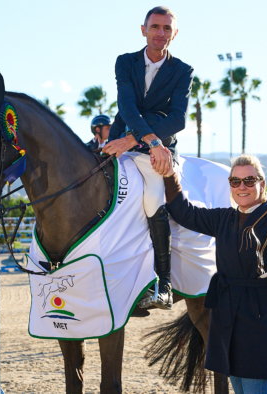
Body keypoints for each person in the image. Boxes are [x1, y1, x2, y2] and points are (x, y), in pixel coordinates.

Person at [162, 154, 267, 394]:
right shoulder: (224, 218)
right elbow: (185, 213)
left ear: (262, 184)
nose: (242, 187)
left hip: (259, 324)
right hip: (227, 321)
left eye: (249, 180)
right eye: (235, 182)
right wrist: (168, 175)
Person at [102, 6, 194, 310]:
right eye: (155, 27)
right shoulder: (125, 62)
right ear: (143, 30)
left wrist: (140, 139)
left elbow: (178, 119)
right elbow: (127, 107)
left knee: (153, 198)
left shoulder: (183, 71)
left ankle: (163, 283)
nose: (160, 33)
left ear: (175, 34)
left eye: (167, 28)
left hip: (159, 151)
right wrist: (145, 138)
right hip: (127, 140)